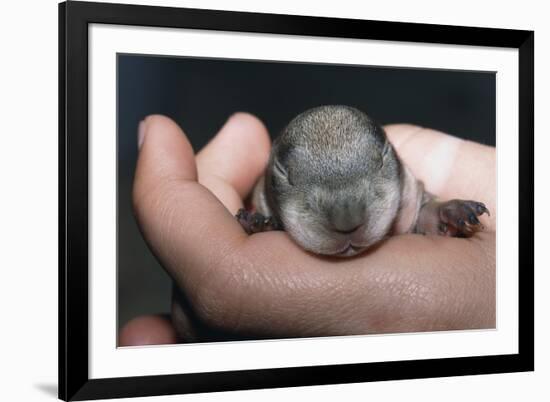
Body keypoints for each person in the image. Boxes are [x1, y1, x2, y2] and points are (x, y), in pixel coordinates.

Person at [120, 112, 496, 346]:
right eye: (290, 177)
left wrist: (441, 214)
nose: (347, 221)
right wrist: (263, 229)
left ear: (392, 157)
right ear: (271, 180)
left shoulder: (406, 184)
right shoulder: (264, 200)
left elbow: (421, 209)